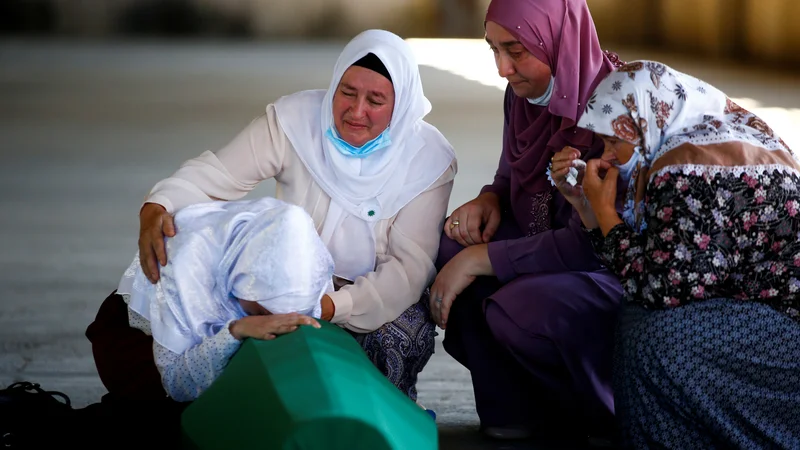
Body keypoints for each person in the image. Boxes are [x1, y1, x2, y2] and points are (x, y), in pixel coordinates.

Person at [86, 29, 457, 408]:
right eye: (347, 92)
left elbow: (409, 271)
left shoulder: (428, 161)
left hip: (365, 297)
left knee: (401, 334)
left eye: (375, 100)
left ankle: (377, 404)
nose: (356, 111)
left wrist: (329, 307)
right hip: (276, 280)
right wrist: (157, 206)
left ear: (402, 104)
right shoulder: (294, 121)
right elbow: (217, 175)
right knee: (169, 320)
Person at [551, 60, 800, 449]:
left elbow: (658, 289)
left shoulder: (683, 169)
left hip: (786, 331)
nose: (609, 155)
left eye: (614, 140)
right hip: (770, 314)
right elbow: (660, 261)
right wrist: (585, 207)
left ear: (644, 122)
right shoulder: (721, 133)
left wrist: (604, 213)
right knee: (641, 322)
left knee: (656, 336)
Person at [428, 0, 624, 442]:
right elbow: (509, 173)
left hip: (605, 267)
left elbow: (590, 244)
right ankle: (511, 407)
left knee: (520, 305)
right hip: (544, 240)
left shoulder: (615, 107)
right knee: (448, 246)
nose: (502, 69)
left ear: (557, 40)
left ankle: (593, 413)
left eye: (516, 51)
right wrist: (490, 198)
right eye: (493, 50)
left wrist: (480, 259)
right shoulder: (525, 97)